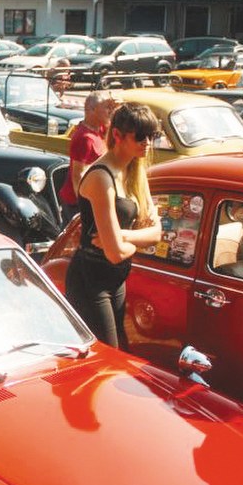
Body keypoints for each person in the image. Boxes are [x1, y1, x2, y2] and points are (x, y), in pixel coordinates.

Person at [64, 102, 163, 349]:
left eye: (151, 136)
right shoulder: (101, 176)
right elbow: (115, 253)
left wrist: (124, 236)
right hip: (91, 279)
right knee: (109, 354)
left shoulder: (135, 171)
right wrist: (133, 240)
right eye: (140, 136)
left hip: (116, 279)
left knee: (121, 351)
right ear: (117, 135)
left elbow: (156, 234)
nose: (147, 143)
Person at [59, 92, 117, 226]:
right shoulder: (84, 138)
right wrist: (84, 206)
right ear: (92, 109)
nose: (110, 111)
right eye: (106, 107)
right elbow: (78, 175)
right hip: (76, 203)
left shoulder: (100, 129)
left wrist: (115, 107)